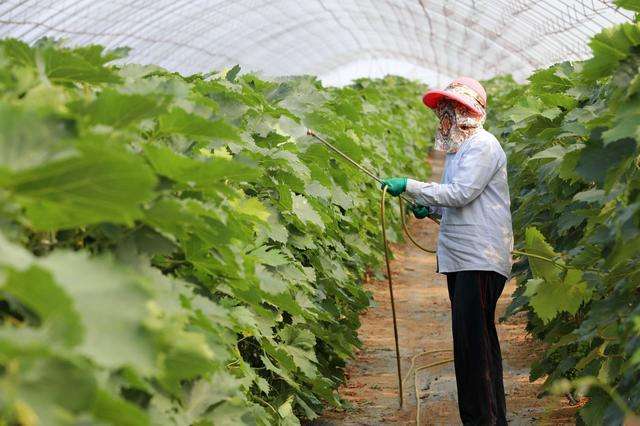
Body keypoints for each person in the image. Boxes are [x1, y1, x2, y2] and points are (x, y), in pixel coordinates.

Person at [381, 77, 513, 426]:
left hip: (479, 259)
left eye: (452, 110)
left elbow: (461, 193)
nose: (445, 118)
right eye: (444, 111)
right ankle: (489, 419)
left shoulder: (483, 145)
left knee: (474, 347)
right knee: (474, 344)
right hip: (464, 258)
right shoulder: (461, 151)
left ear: (470, 112)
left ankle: (482, 420)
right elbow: (457, 199)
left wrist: (411, 185)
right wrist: (432, 209)